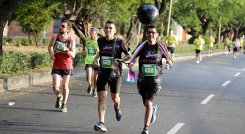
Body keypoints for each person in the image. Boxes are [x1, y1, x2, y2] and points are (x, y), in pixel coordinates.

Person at [128, 25, 172, 134]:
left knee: (148, 103)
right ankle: (153, 109)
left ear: (156, 34)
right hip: (142, 80)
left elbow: (169, 58)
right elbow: (133, 57)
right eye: (149, 32)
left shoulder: (161, 47)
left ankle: (145, 128)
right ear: (146, 34)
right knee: (146, 103)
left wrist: (169, 61)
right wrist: (131, 63)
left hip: (155, 80)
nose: (151, 34)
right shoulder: (142, 46)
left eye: (153, 32)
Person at [93, 20, 131, 132]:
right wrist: (96, 59)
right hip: (103, 73)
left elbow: (129, 55)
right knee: (102, 97)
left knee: (115, 98)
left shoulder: (120, 42)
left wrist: (120, 60)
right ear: (104, 29)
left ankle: (117, 107)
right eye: (106, 28)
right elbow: (101, 52)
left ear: (114, 30)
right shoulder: (100, 41)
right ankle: (101, 122)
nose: (108, 30)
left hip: (116, 75)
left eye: (110, 28)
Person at [48, 20, 76, 112]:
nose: (60, 27)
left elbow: (73, 55)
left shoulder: (71, 40)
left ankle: (64, 105)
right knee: (55, 87)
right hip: (57, 65)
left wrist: (66, 50)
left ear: (67, 29)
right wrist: (51, 54)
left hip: (67, 66)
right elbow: (50, 46)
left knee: (64, 86)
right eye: (60, 26)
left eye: (63, 26)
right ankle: (59, 96)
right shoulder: (55, 37)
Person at [82, 27, 99, 97]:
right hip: (88, 60)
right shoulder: (87, 39)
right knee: (88, 77)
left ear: (96, 33)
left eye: (92, 31)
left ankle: (95, 90)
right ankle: (90, 85)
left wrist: (98, 51)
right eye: (90, 31)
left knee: (95, 78)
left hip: (96, 61)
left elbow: (101, 51)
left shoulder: (98, 41)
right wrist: (84, 52)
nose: (91, 32)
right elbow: (84, 47)